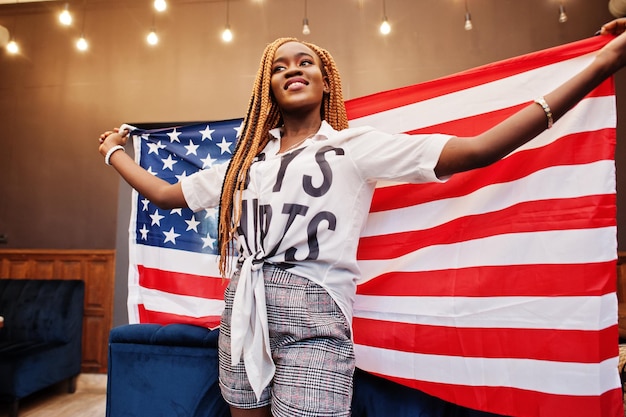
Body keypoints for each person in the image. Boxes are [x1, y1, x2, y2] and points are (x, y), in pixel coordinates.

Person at [99, 18, 626, 417]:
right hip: (242, 310)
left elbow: (480, 149)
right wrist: (115, 152)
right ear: (268, 89)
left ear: (326, 82)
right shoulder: (246, 162)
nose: (291, 70)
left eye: (303, 62)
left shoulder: (355, 147)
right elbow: (168, 194)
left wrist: (602, 65)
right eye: (279, 66)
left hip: (316, 316)